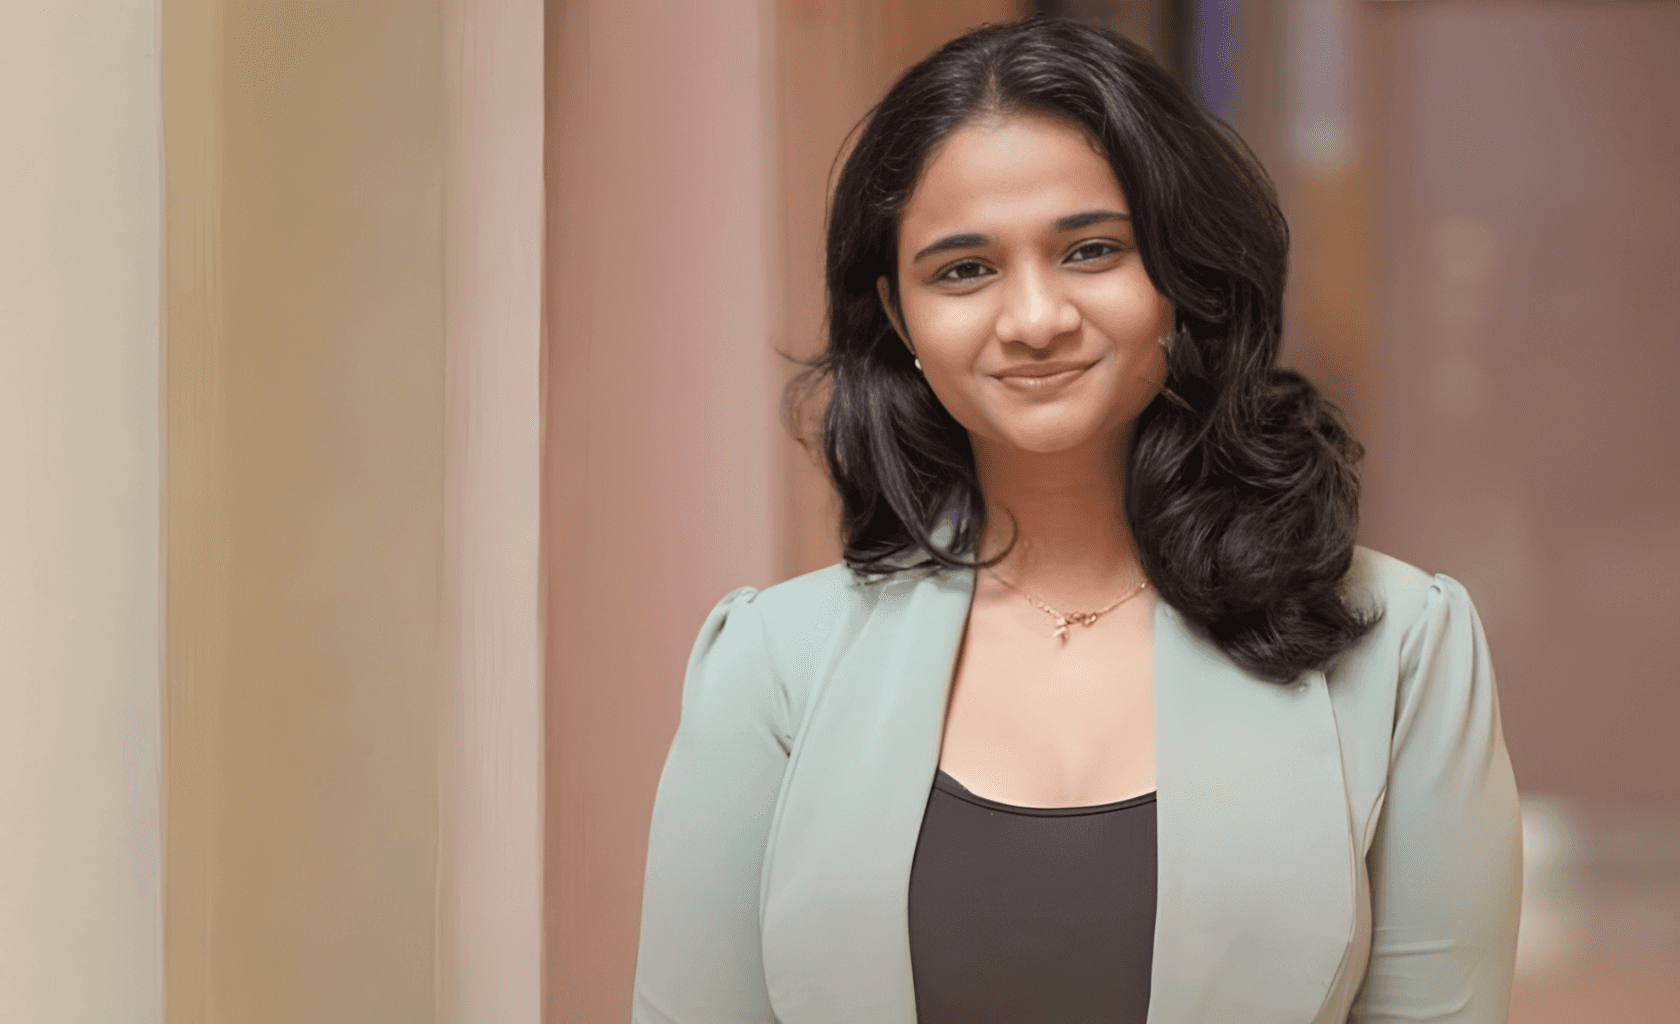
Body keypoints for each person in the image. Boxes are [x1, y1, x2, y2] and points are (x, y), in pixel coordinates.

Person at [633, 15, 1521, 1024]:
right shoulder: (769, 667)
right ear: (896, 312)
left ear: (1181, 275)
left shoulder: (1403, 649)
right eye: (963, 269)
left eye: (1091, 250)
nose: (1035, 319)